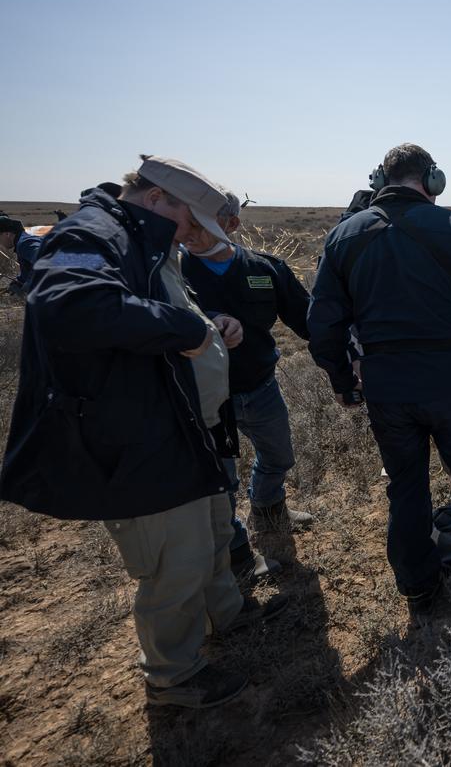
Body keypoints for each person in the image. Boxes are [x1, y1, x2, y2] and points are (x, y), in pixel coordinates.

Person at [0, 155, 289, 709]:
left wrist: (210, 325)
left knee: (209, 531)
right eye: (190, 224)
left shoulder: (146, 238)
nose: (193, 237)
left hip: (183, 423)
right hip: (140, 437)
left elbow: (159, 310)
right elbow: (74, 306)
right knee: (173, 559)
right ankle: (174, 676)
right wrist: (184, 328)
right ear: (158, 198)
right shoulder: (93, 232)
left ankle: (225, 615)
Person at [308, 143, 451, 623]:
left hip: (388, 388)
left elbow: (322, 325)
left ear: (379, 179)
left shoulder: (344, 236)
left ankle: (419, 590)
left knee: (407, 488)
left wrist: (343, 381)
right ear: (432, 179)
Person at [181, 190, 315, 583]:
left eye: (199, 223)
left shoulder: (266, 269)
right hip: (205, 398)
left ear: (231, 224)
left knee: (279, 457)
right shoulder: (173, 273)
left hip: (260, 388)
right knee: (220, 481)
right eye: (186, 220)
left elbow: (308, 322)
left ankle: (269, 507)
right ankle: (236, 552)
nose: (188, 232)